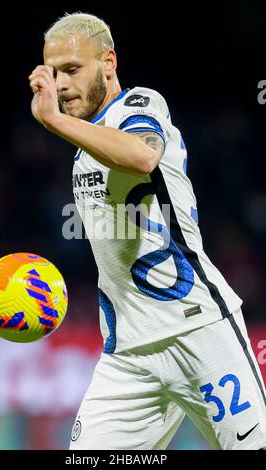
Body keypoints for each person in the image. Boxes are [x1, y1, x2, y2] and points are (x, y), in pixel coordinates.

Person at [29, 12, 266, 450]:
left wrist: (56, 122)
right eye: (53, 71)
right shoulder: (84, 147)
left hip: (198, 331)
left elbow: (141, 156)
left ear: (109, 62)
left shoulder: (139, 104)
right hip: (128, 356)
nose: (60, 85)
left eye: (73, 70)